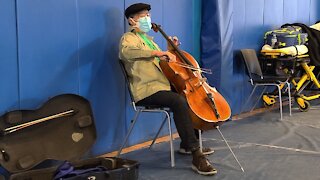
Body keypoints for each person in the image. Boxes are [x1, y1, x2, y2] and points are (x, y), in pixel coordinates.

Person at [119, 3, 217, 176]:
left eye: (148, 15)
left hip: (161, 87)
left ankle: (187, 144)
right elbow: (126, 53)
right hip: (146, 91)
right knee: (177, 100)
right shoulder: (128, 38)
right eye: (143, 17)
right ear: (132, 20)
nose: (148, 19)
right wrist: (157, 54)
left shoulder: (151, 41)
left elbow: (165, 64)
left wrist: (170, 49)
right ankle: (196, 153)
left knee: (186, 97)